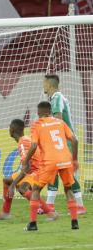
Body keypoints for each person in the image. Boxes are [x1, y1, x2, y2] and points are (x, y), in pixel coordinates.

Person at [23, 101, 79, 231]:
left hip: (49, 161)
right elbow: (75, 140)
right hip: (66, 159)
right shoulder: (60, 122)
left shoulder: (37, 125)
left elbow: (33, 145)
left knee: (36, 190)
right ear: (49, 111)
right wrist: (75, 160)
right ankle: (74, 222)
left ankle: (32, 224)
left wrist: (26, 161)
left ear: (39, 113)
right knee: (68, 189)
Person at [0, 119, 55, 220]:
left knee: (22, 188)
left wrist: (13, 185)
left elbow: (27, 167)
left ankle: (50, 213)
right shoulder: (25, 139)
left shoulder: (23, 143)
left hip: (38, 171)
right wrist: (12, 184)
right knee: (7, 181)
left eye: (9, 127)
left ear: (12, 130)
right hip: (34, 170)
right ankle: (5, 213)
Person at [43, 74, 86, 214]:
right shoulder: (56, 98)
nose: (43, 86)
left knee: (67, 174)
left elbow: (58, 118)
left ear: (49, 85)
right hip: (62, 141)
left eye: (44, 83)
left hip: (64, 141)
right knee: (54, 171)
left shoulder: (56, 97)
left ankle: (79, 206)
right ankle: (50, 206)